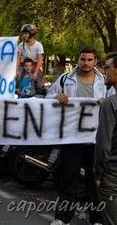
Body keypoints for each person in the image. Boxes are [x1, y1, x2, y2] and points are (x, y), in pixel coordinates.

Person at [46, 47, 111, 225]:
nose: (86, 63)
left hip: (96, 138)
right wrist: (56, 97)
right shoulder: (66, 79)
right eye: (83, 59)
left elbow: (114, 104)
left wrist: (105, 104)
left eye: (90, 60)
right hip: (71, 137)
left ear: (95, 61)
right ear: (78, 60)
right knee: (68, 178)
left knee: (94, 181)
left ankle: (97, 219)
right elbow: (47, 97)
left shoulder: (104, 82)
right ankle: (62, 218)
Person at [95, 52, 117, 225]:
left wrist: (98, 172)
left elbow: (103, 145)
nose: (104, 71)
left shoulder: (110, 104)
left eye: (108, 67)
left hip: (112, 174)